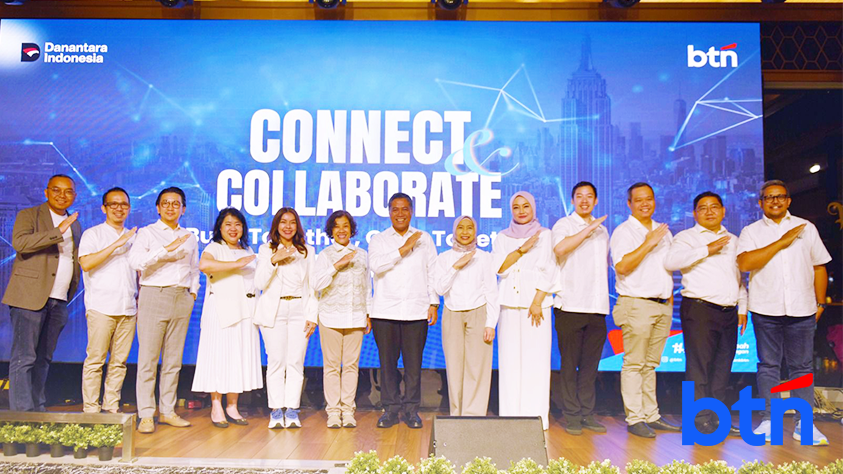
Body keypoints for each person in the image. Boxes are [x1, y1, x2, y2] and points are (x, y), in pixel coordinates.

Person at [737, 180, 831, 446]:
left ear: (788, 200)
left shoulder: (806, 228)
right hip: (765, 308)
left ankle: (805, 424)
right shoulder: (751, 231)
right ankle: (771, 421)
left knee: (802, 367)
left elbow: (819, 267)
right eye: (769, 197)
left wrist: (820, 304)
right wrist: (782, 242)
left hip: (802, 309)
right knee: (769, 366)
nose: (775, 201)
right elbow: (745, 263)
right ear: (760, 203)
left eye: (780, 196)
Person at [664, 191, 746, 437]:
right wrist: (707, 249)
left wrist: (742, 307)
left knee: (723, 368)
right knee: (699, 368)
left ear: (723, 211)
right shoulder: (686, 237)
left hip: (729, 311)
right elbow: (671, 262)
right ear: (695, 213)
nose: (709, 211)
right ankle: (698, 420)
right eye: (703, 208)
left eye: (714, 207)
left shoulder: (734, 240)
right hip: (699, 309)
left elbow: (739, 277)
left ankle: (718, 418)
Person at [3, 174, 82, 412]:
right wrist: (58, 231)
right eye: (56, 190)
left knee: (43, 359)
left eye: (68, 191)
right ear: (46, 192)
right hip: (29, 297)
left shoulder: (75, 223)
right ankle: (22, 416)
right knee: (24, 358)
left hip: (59, 300)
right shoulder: (29, 215)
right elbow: (21, 244)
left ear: (74, 195)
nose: (62, 195)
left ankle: (38, 411)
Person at [609, 182, 680, 438]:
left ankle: (652, 415)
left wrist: (669, 301)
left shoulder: (663, 231)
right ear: (629, 204)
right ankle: (635, 418)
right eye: (638, 200)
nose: (644, 204)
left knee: (650, 365)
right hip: (636, 303)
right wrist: (648, 243)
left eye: (648, 199)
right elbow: (622, 267)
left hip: (662, 305)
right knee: (634, 364)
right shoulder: (624, 232)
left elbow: (667, 267)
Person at [128, 187, 199, 434]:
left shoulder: (189, 237)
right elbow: (135, 262)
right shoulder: (147, 233)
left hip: (181, 297)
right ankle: (146, 414)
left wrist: (192, 293)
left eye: (176, 203)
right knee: (148, 359)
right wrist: (164, 251)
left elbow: (194, 269)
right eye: (166, 203)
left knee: (173, 360)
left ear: (183, 209)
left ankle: (167, 411)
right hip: (154, 294)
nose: (171, 207)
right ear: (158, 207)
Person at [368, 192, 438, 429]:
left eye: (405, 209)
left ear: (411, 211)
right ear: (389, 212)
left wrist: (433, 303)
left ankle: (411, 410)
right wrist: (404, 248)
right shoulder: (379, 239)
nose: (400, 214)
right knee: (387, 365)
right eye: (395, 209)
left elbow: (432, 271)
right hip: (384, 312)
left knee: (413, 366)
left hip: (416, 311)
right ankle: (390, 410)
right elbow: (376, 266)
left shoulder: (424, 238)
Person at [192, 208, 263, 428]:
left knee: (237, 357)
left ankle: (232, 405)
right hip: (221, 310)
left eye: (237, 224)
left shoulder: (247, 249)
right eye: (228, 224)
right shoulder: (215, 247)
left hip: (246, 309)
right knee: (219, 356)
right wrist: (237, 264)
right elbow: (204, 265)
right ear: (220, 228)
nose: (233, 229)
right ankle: (216, 405)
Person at [492, 191, 556, 430]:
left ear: (533, 208)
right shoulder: (502, 237)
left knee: (536, 361)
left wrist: (537, 300)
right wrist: (521, 250)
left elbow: (550, 269)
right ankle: (510, 416)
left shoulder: (545, 234)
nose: (521, 211)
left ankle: (536, 418)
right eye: (516, 207)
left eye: (525, 206)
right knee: (509, 362)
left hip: (536, 306)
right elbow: (499, 268)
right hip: (508, 304)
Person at [550, 182, 609, 435]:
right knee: (569, 365)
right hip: (570, 305)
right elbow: (559, 249)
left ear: (596, 201)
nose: (584, 200)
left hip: (597, 307)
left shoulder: (603, 230)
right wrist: (588, 230)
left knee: (590, 367)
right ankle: (571, 415)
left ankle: (587, 413)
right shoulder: (564, 225)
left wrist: (594, 228)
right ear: (573, 200)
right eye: (579, 196)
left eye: (589, 196)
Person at [254, 207, 318, 429]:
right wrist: (274, 260)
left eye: (292, 222)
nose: (288, 226)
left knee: (295, 361)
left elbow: (313, 287)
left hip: (300, 310)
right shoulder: (266, 250)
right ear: (276, 226)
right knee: (276, 362)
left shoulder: (307, 251)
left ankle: (291, 409)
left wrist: (312, 315)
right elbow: (259, 283)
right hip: (274, 310)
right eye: (283, 222)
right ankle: (276, 410)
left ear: (297, 226)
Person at [78, 187, 138, 414]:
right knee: (95, 360)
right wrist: (116, 244)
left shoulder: (134, 237)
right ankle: (91, 410)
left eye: (123, 204)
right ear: (104, 208)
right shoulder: (93, 234)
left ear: (129, 208)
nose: (119, 208)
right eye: (113, 204)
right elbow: (86, 263)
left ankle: (111, 407)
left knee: (119, 363)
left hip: (128, 308)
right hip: (101, 307)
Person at [311, 210, 371, 429]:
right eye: (337, 226)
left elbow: (367, 287)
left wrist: (368, 313)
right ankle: (333, 412)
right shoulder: (325, 255)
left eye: (345, 226)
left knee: (352, 366)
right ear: (331, 230)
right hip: (330, 316)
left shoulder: (362, 254)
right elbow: (317, 284)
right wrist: (337, 265)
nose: (341, 230)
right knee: (332, 366)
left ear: (352, 229)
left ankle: (348, 410)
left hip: (355, 316)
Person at [434, 215, 499, 417]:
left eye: (469, 227)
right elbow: (440, 288)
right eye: (460, 227)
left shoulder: (484, 257)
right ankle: (457, 414)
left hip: (479, 312)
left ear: (475, 231)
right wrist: (456, 266)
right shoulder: (444, 258)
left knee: (477, 367)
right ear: (454, 231)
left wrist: (491, 323)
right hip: (452, 313)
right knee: (454, 366)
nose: (465, 232)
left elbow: (491, 291)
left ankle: (474, 415)